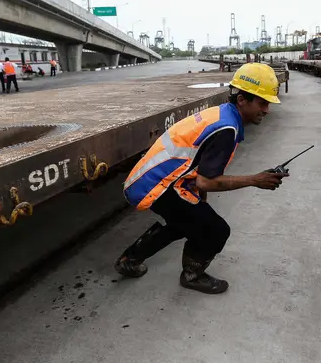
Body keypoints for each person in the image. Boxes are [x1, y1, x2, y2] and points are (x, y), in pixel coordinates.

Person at [114, 63, 289, 294]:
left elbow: (199, 168)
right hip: (159, 185)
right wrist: (256, 180)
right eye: (262, 103)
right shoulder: (227, 129)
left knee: (186, 222)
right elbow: (206, 181)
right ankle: (192, 275)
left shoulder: (222, 114)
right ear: (242, 100)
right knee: (216, 230)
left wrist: (200, 203)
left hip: (150, 179)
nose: (266, 110)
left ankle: (130, 260)